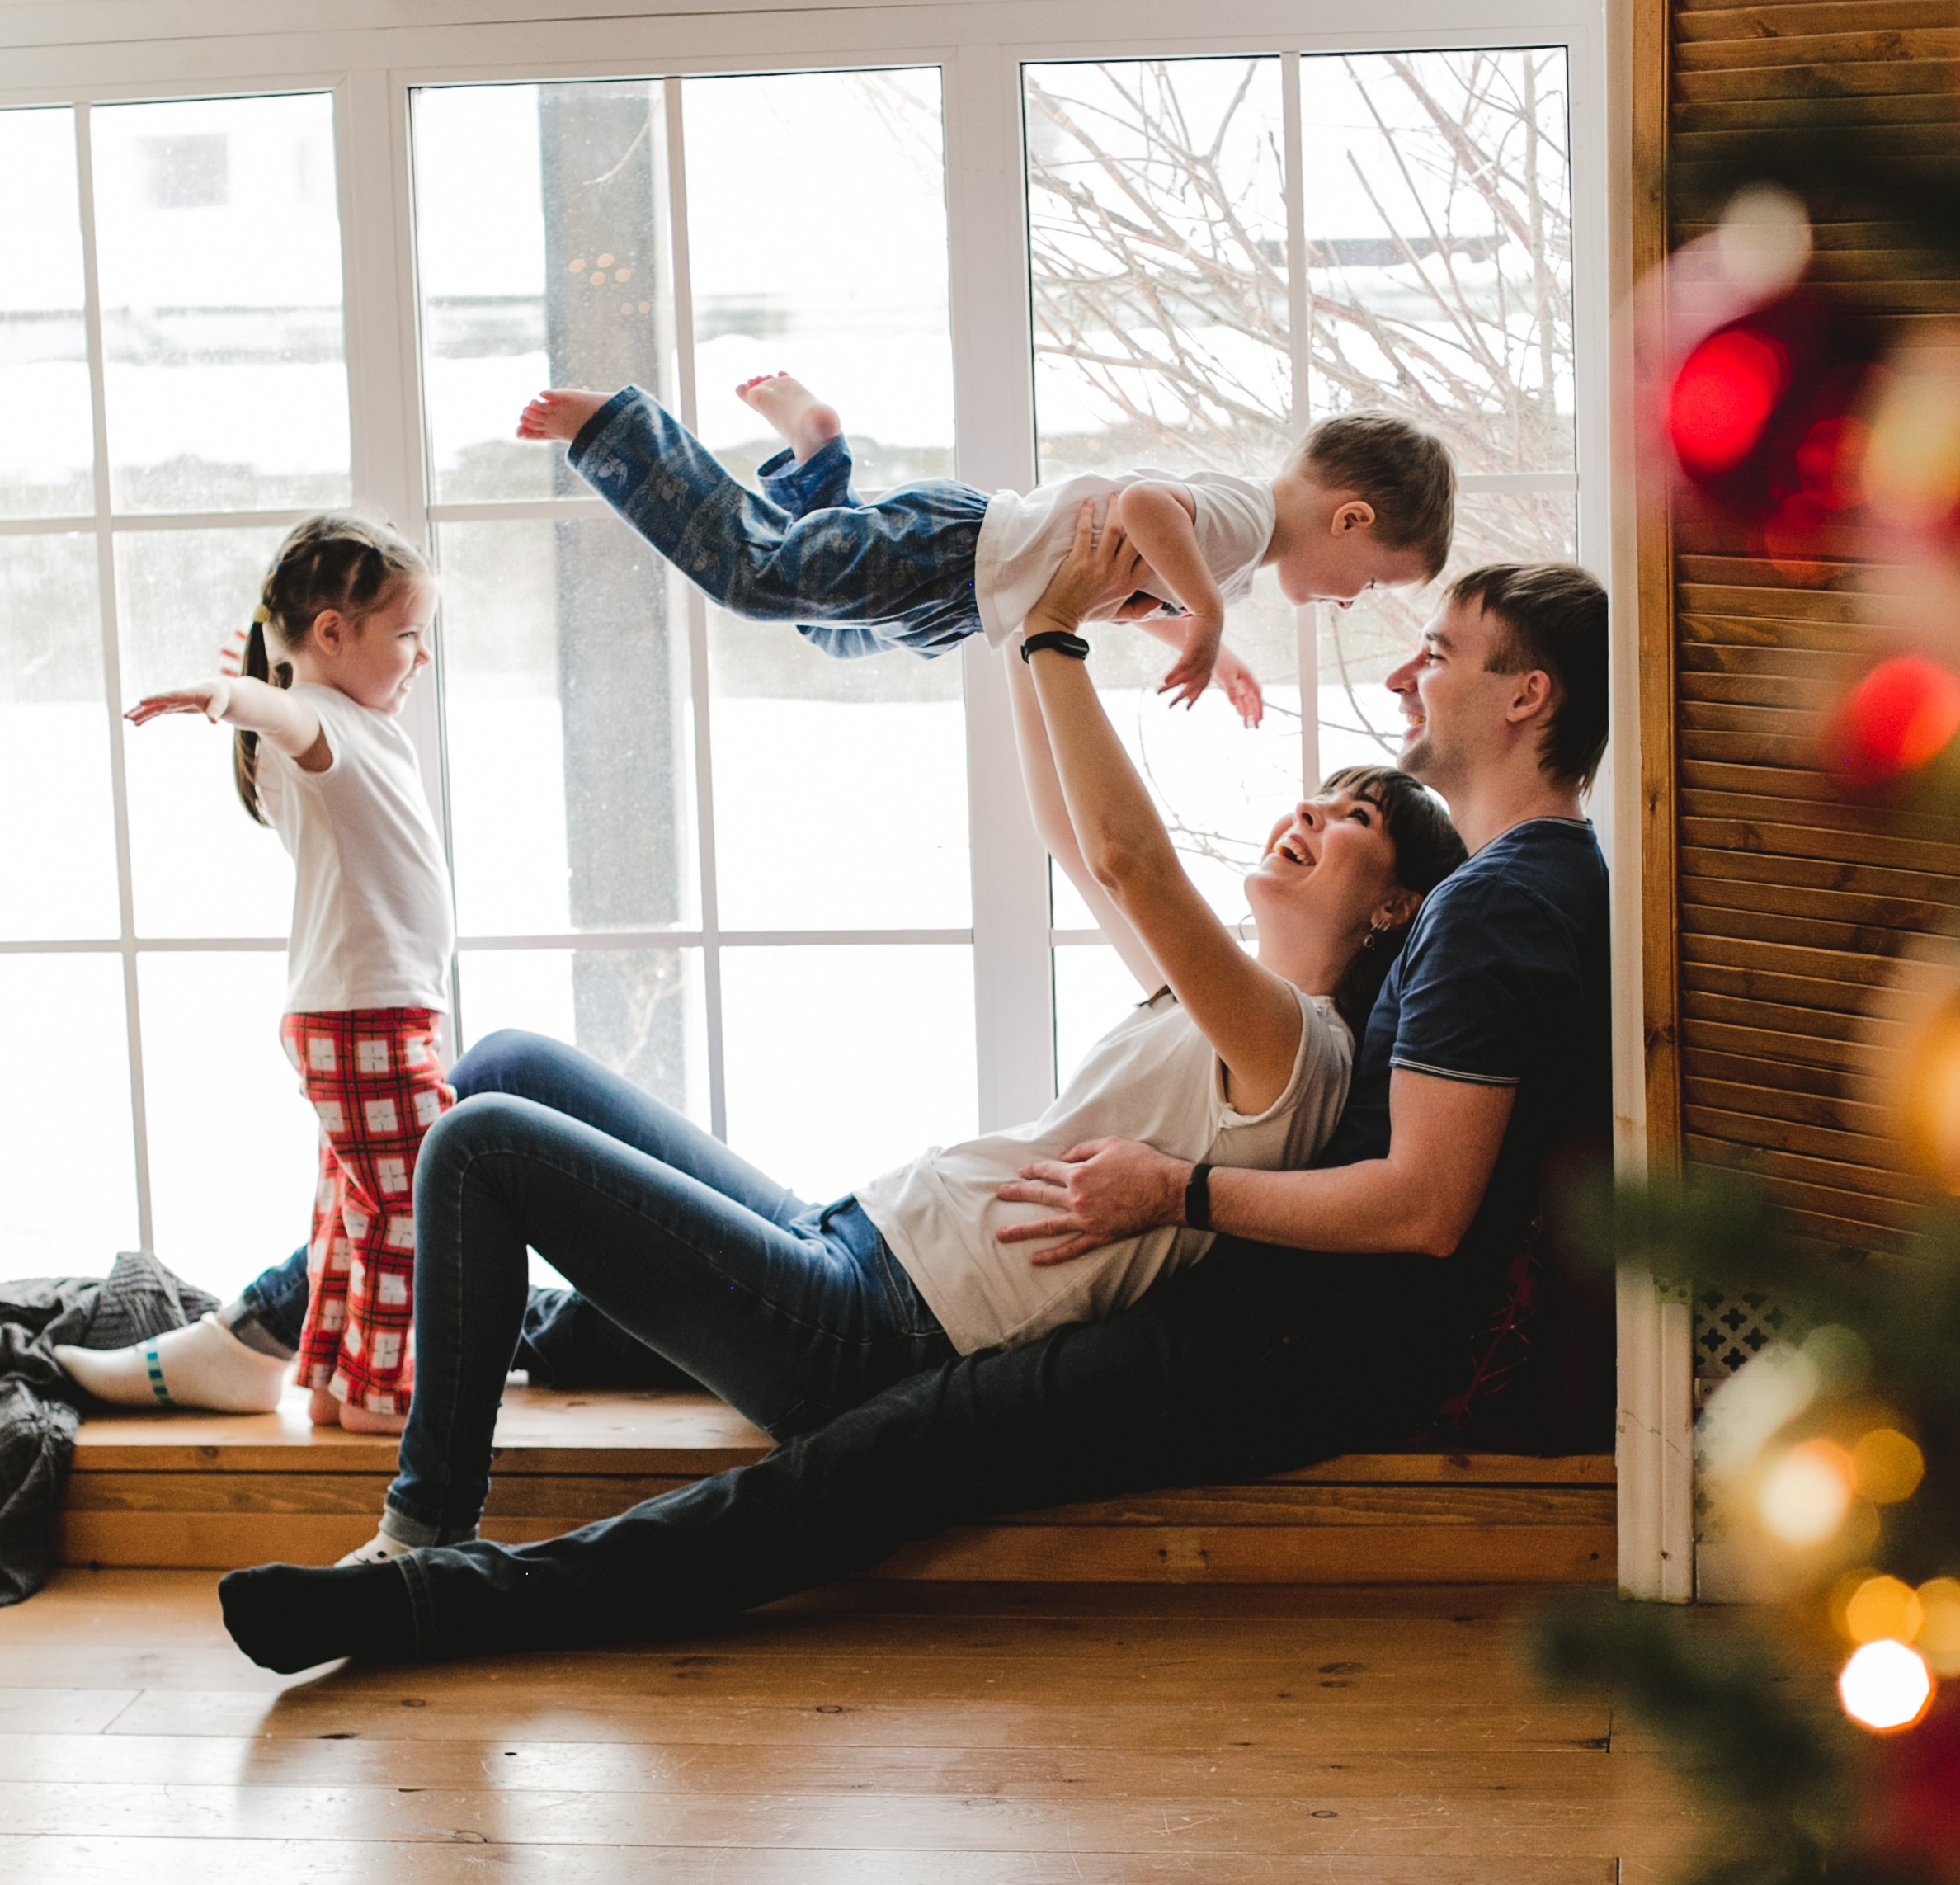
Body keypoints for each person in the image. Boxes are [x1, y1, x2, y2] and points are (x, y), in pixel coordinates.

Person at [219, 553, 1608, 1676]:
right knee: (509, 1063)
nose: (1310, 813)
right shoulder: (1212, 1001)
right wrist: (1020, 616)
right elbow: (1077, 840)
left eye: (1353, 818)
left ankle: (422, 1527)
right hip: (849, 1235)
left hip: (865, 1324)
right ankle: (327, 1313)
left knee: (476, 1143)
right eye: (1316, 796)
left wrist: (1058, 634)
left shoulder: (1292, 1047)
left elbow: (1131, 855)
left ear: (1392, 904)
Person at [59, 516, 454, 1435]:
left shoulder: (351, 726)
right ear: (332, 633)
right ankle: (381, 1396)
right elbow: (284, 713)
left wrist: (253, 689)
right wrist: (232, 696)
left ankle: (332, 1381)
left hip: (366, 1012)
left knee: (356, 1210)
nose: (422, 656)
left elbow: (286, 716)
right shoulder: (321, 724)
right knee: (412, 1205)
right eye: (407, 634)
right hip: (365, 1016)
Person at [516, 369, 1456, 709]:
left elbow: (1127, 585)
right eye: (1372, 580)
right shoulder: (1247, 521)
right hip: (953, 557)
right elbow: (1143, 506)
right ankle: (617, 429)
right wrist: (1207, 618)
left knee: (826, 627)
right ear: (1351, 519)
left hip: (959, 594)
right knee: (757, 578)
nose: (1355, 599)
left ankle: (816, 452)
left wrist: (1202, 636)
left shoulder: (1241, 558)